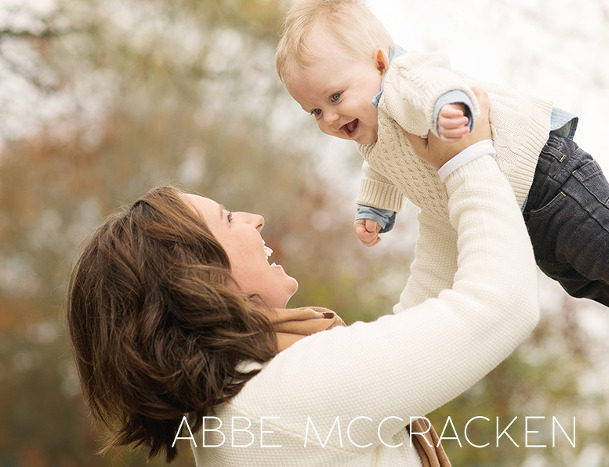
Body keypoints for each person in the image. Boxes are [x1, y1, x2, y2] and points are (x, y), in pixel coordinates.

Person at [65, 89, 542, 465]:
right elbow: (499, 307)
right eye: (229, 218)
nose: (254, 218)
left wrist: (433, 182)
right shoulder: (279, 401)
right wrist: (468, 158)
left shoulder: (250, 405)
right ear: (200, 279)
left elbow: (422, 326)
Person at [274, 0, 609, 360]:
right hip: (522, 214)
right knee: (587, 282)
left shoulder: (403, 82)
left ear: (379, 61)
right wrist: (375, 211)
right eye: (314, 111)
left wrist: (448, 112)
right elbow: (382, 173)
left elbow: (440, 88)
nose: (330, 119)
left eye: (334, 97)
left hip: (546, 172)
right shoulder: (374, 140)